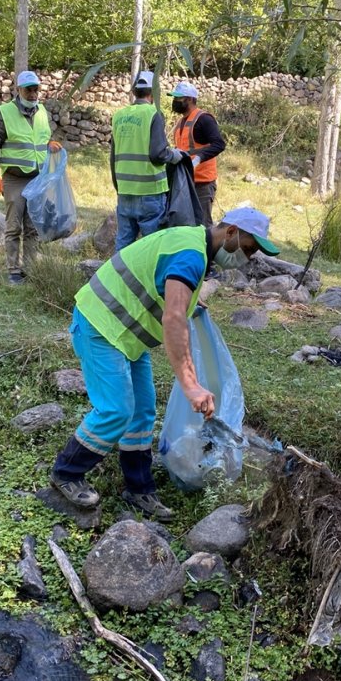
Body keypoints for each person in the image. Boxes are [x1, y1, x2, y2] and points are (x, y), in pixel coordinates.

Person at [48, 207, 280, 521]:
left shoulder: (195, 248)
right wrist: (191, 384)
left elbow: (168, 287)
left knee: (142, 411)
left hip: (127, 333)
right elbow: (173, 319)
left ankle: (138, 487)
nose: (247, 257)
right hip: (101, 324)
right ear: (231, 232)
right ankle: (66, 472)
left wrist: (190, 300)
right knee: (116, 410)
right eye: (248, 248)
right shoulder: (191, 255)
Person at [0, 70, 62, 284]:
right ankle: (13, 270)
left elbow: (41, 138)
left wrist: (50, 145)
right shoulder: (4, 113)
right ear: (18, 90)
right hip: (14, 178)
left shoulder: (42, 112)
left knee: (33, 227)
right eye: (29, 89)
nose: (33, 93)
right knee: (13, 226)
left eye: (36, 88)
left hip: (38, 178)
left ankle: (29, 269)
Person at [110, 70, 184, 251]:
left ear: (135, 91)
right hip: (150, 192)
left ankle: (118, 278)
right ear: (154, 93)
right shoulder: (153, 114)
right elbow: (158, 154)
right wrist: (174, 155)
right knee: (151, 246)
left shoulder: (118, 116)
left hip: (125, 190)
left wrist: (118, 186)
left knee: (124, 243)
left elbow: (113, 156)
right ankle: (149, 279)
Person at [169, 81, 226, 229]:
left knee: (202, 226)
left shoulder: (204, 119)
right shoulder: (181, 122)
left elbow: (219, 144)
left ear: (190, 99)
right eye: (174, 98)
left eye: (178, 98)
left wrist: (199, 159)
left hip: (202, 183)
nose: (175, 101)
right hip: (184, 182)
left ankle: (206, 252)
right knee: (184, 225)